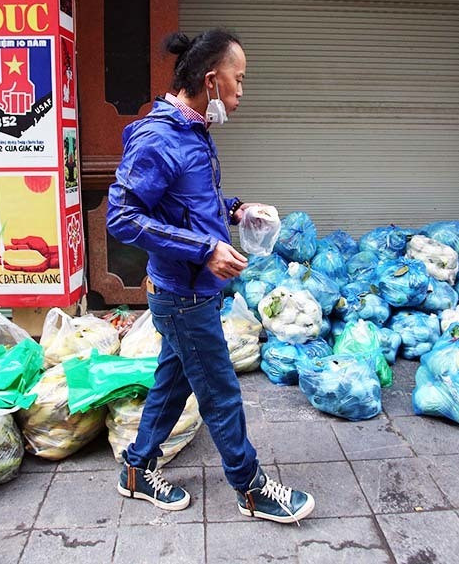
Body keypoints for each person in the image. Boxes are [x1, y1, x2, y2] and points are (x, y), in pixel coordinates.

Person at [106, 28, 315, 524]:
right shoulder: (159, 138)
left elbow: (187, 203)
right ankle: (251, 487)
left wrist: (237, 210)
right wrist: (203, 250)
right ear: (210, 80)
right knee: (220, 393)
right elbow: (121, 216)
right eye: (238, 80)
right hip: (182, 295)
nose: (242, 91)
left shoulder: (193, 131)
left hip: (191, 293)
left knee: (172, 382)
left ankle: (136, 470)